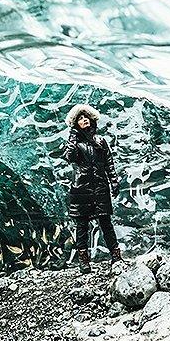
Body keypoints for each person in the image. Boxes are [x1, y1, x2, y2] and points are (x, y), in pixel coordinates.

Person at [64, 104, 123, 274]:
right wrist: (73, 138)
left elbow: (108, 163)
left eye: (86, 117)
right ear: (75, 124)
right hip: (81, 189)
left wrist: (114, 181)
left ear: (91, 120)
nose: (84, 120)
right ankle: (84, 262)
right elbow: (69, 157)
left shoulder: (101, 141)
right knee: (81, 226)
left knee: (106, 223)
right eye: (80, 119)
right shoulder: (74, 143)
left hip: (100, 188)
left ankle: (116, 256)